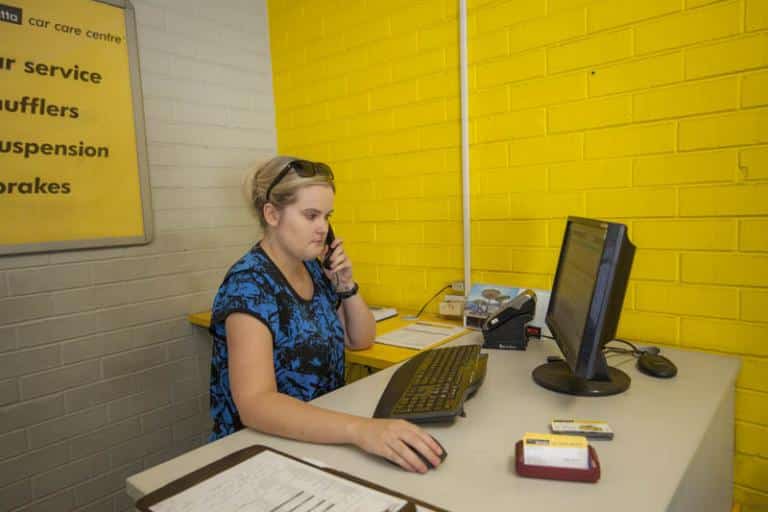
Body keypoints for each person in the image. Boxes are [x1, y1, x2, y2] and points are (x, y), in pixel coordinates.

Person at [208, 155, 444, 473]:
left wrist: (346, 284)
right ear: (272, 214)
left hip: (317, 436)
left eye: (327, 216)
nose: (323, 228)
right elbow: (256, 404)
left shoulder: (313, 268)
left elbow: (360, 339)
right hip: (260, 451)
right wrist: (358, 430)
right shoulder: (247, 285)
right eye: (311, 215)